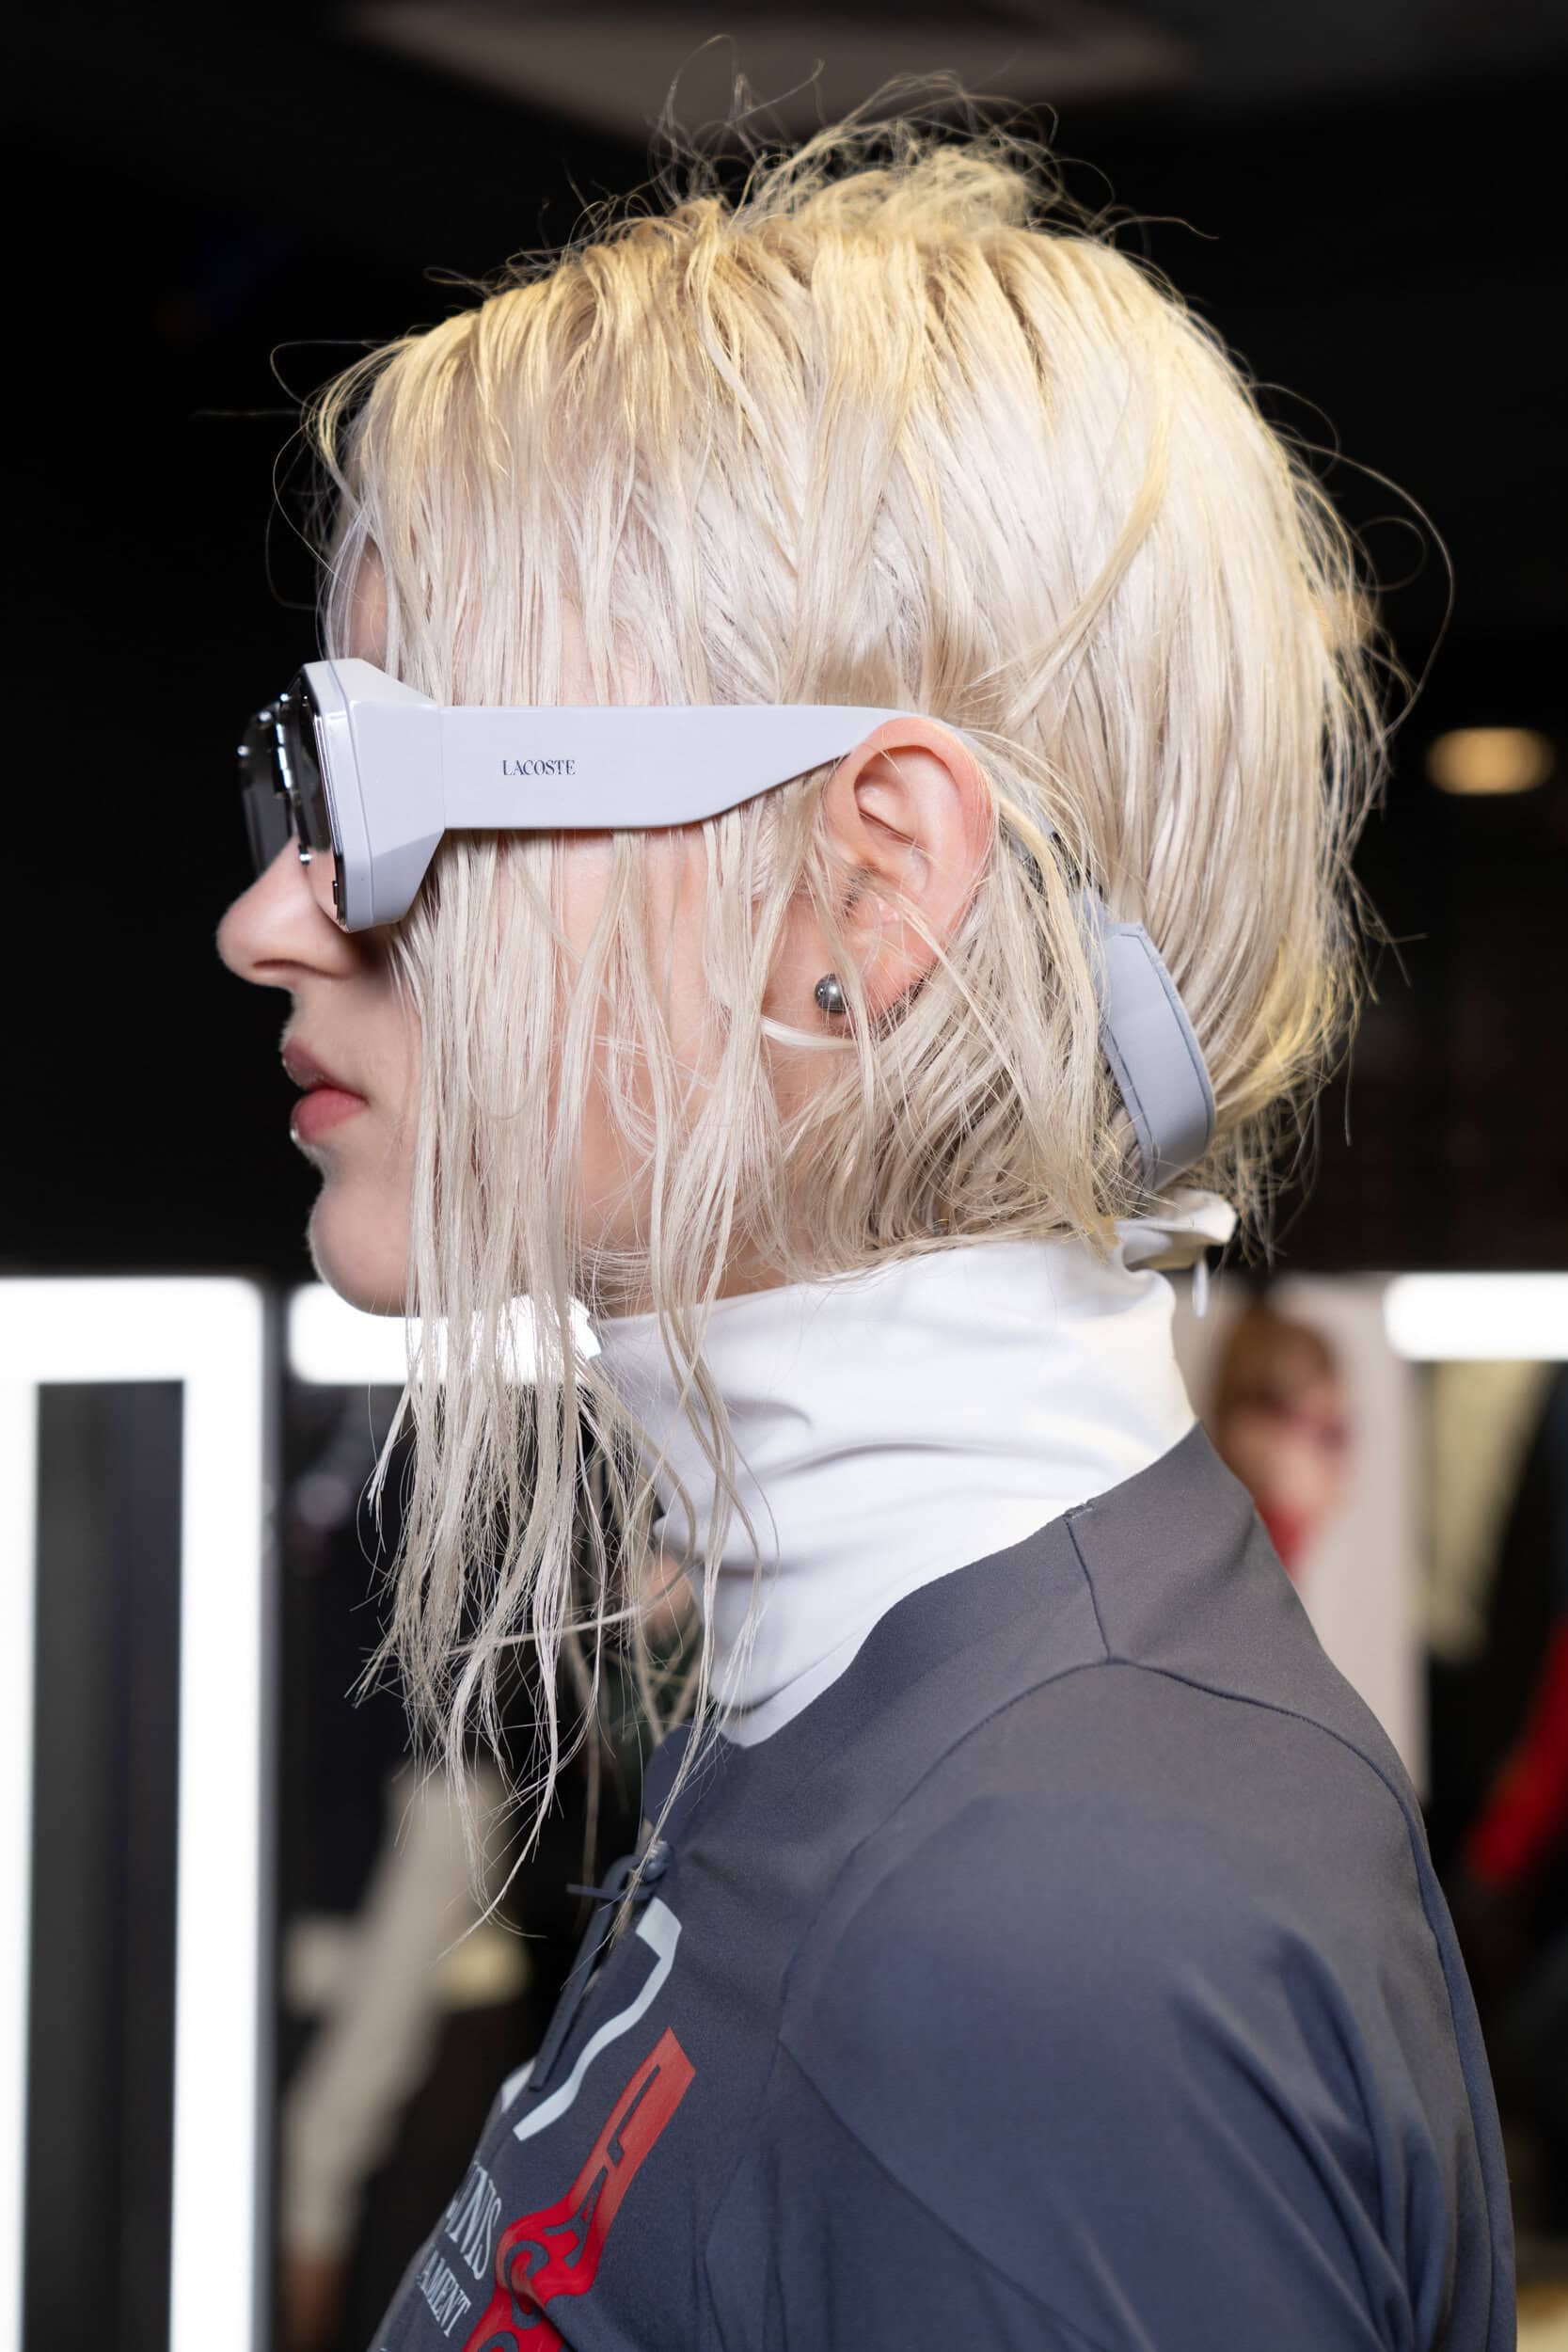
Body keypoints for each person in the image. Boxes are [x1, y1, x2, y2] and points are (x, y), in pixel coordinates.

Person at [216, 100, 1514, 2348]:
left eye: (388, 794)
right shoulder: (880, 1704)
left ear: (861, 889)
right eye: (292, 781)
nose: (270, 918)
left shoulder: (1052, 1945)